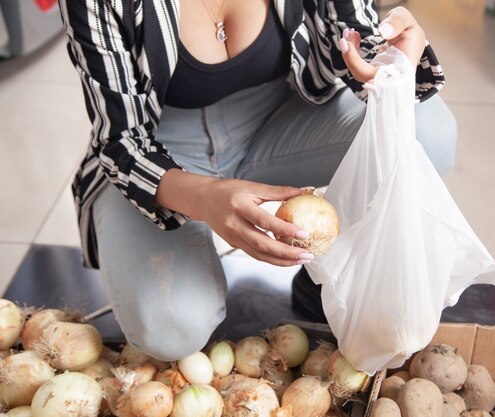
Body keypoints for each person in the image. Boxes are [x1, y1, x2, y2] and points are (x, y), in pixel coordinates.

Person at [58, 0, 457, 361]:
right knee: (173, 327)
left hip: (282, 118)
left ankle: (324, 274)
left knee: (428, 131)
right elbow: (121, 140)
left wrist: (390, 62)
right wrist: (205, 197)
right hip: (159, 148)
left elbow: (355, 35)